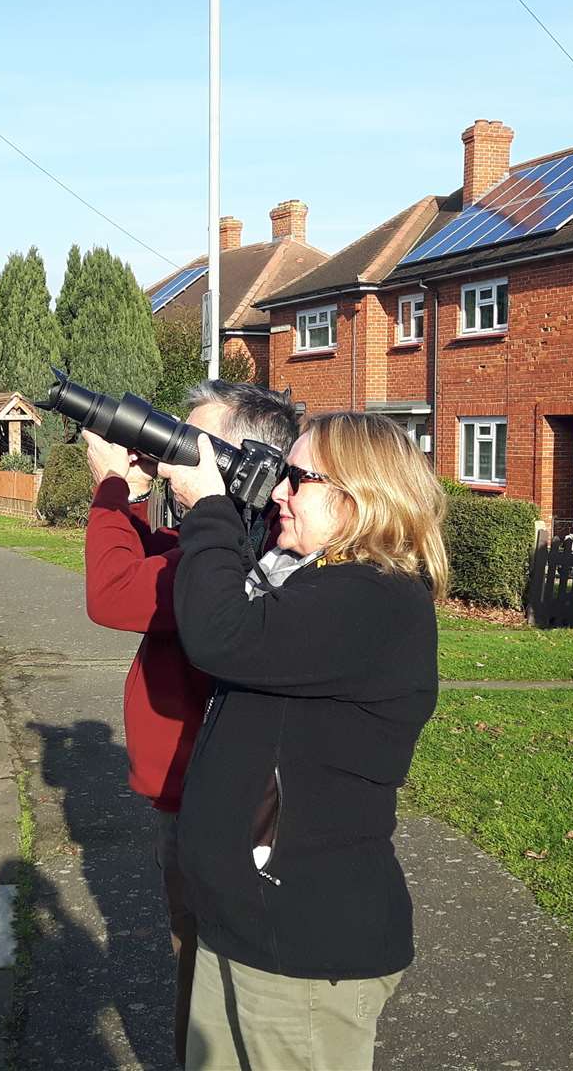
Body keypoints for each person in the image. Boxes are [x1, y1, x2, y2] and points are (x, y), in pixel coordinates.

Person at [156, 412, 450, 1071]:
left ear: (358, 497)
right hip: (244, 924)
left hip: (303, 946)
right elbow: (226, 611)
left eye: (297, 478)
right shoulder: (308, 581)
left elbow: (219, 634)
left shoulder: (377, 601)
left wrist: (208, 507)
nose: (279, 493)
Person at [80, 380, 300, 1068]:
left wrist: (111, 489)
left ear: (242, 463)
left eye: (192, 445)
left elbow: (114, 593)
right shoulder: (237, 540)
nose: (177, 459)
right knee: (205, 963)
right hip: (201, 786)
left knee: (201, 967)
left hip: (208, 796)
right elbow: (161, 559)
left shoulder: (234, 557)